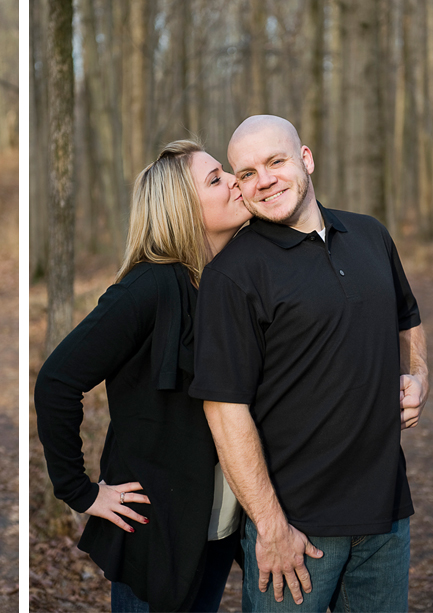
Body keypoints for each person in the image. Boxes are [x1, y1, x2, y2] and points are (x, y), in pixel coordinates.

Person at [189, 114, 428, 612]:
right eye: (247, 173)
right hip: (297, 530)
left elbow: (407, 317)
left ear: (306, 158)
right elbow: (224, 410)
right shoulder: (233, 275)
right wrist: (272, 527)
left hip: (387, 513)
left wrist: (418, 374)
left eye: (275, 161)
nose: (264, 180)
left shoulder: (370, 235)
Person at [35, 139, 252, 612]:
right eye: (216, 178)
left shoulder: (225, 282)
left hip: (215, 526)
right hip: (156, 531)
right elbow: (56, 381)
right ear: (181, 208)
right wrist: (80, 491)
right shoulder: (148, 286)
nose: (236, 181)